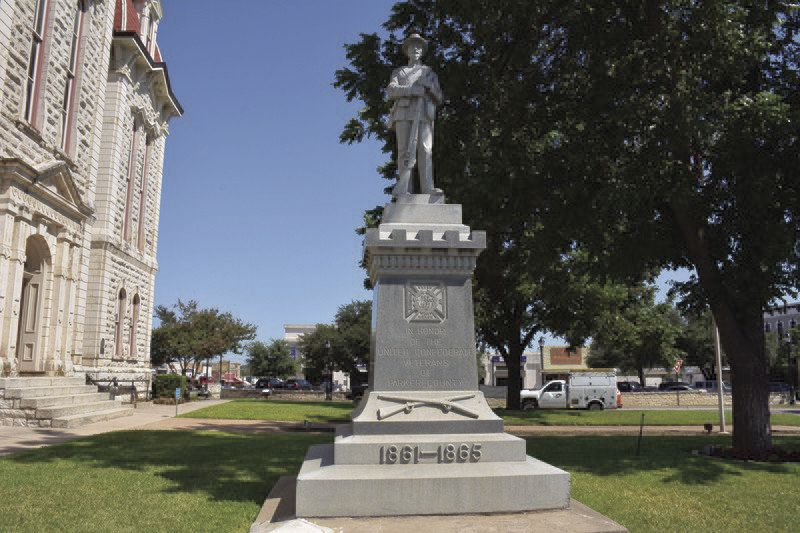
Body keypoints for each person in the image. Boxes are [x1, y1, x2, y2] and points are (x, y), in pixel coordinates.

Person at [387, 33, 443, 198]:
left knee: (425, 150)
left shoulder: (429, 73)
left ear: (422, 51)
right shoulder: (399, 72)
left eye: (419, 46)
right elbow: (391, 91)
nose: (416, 49)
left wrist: (429, 87)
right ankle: (405, 189)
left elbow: (439, 97)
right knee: (404, 151)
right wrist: (412, 90)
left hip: (423, 113)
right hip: (403, 113)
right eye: (412, 46)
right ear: (407, 50)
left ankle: (428, 188)